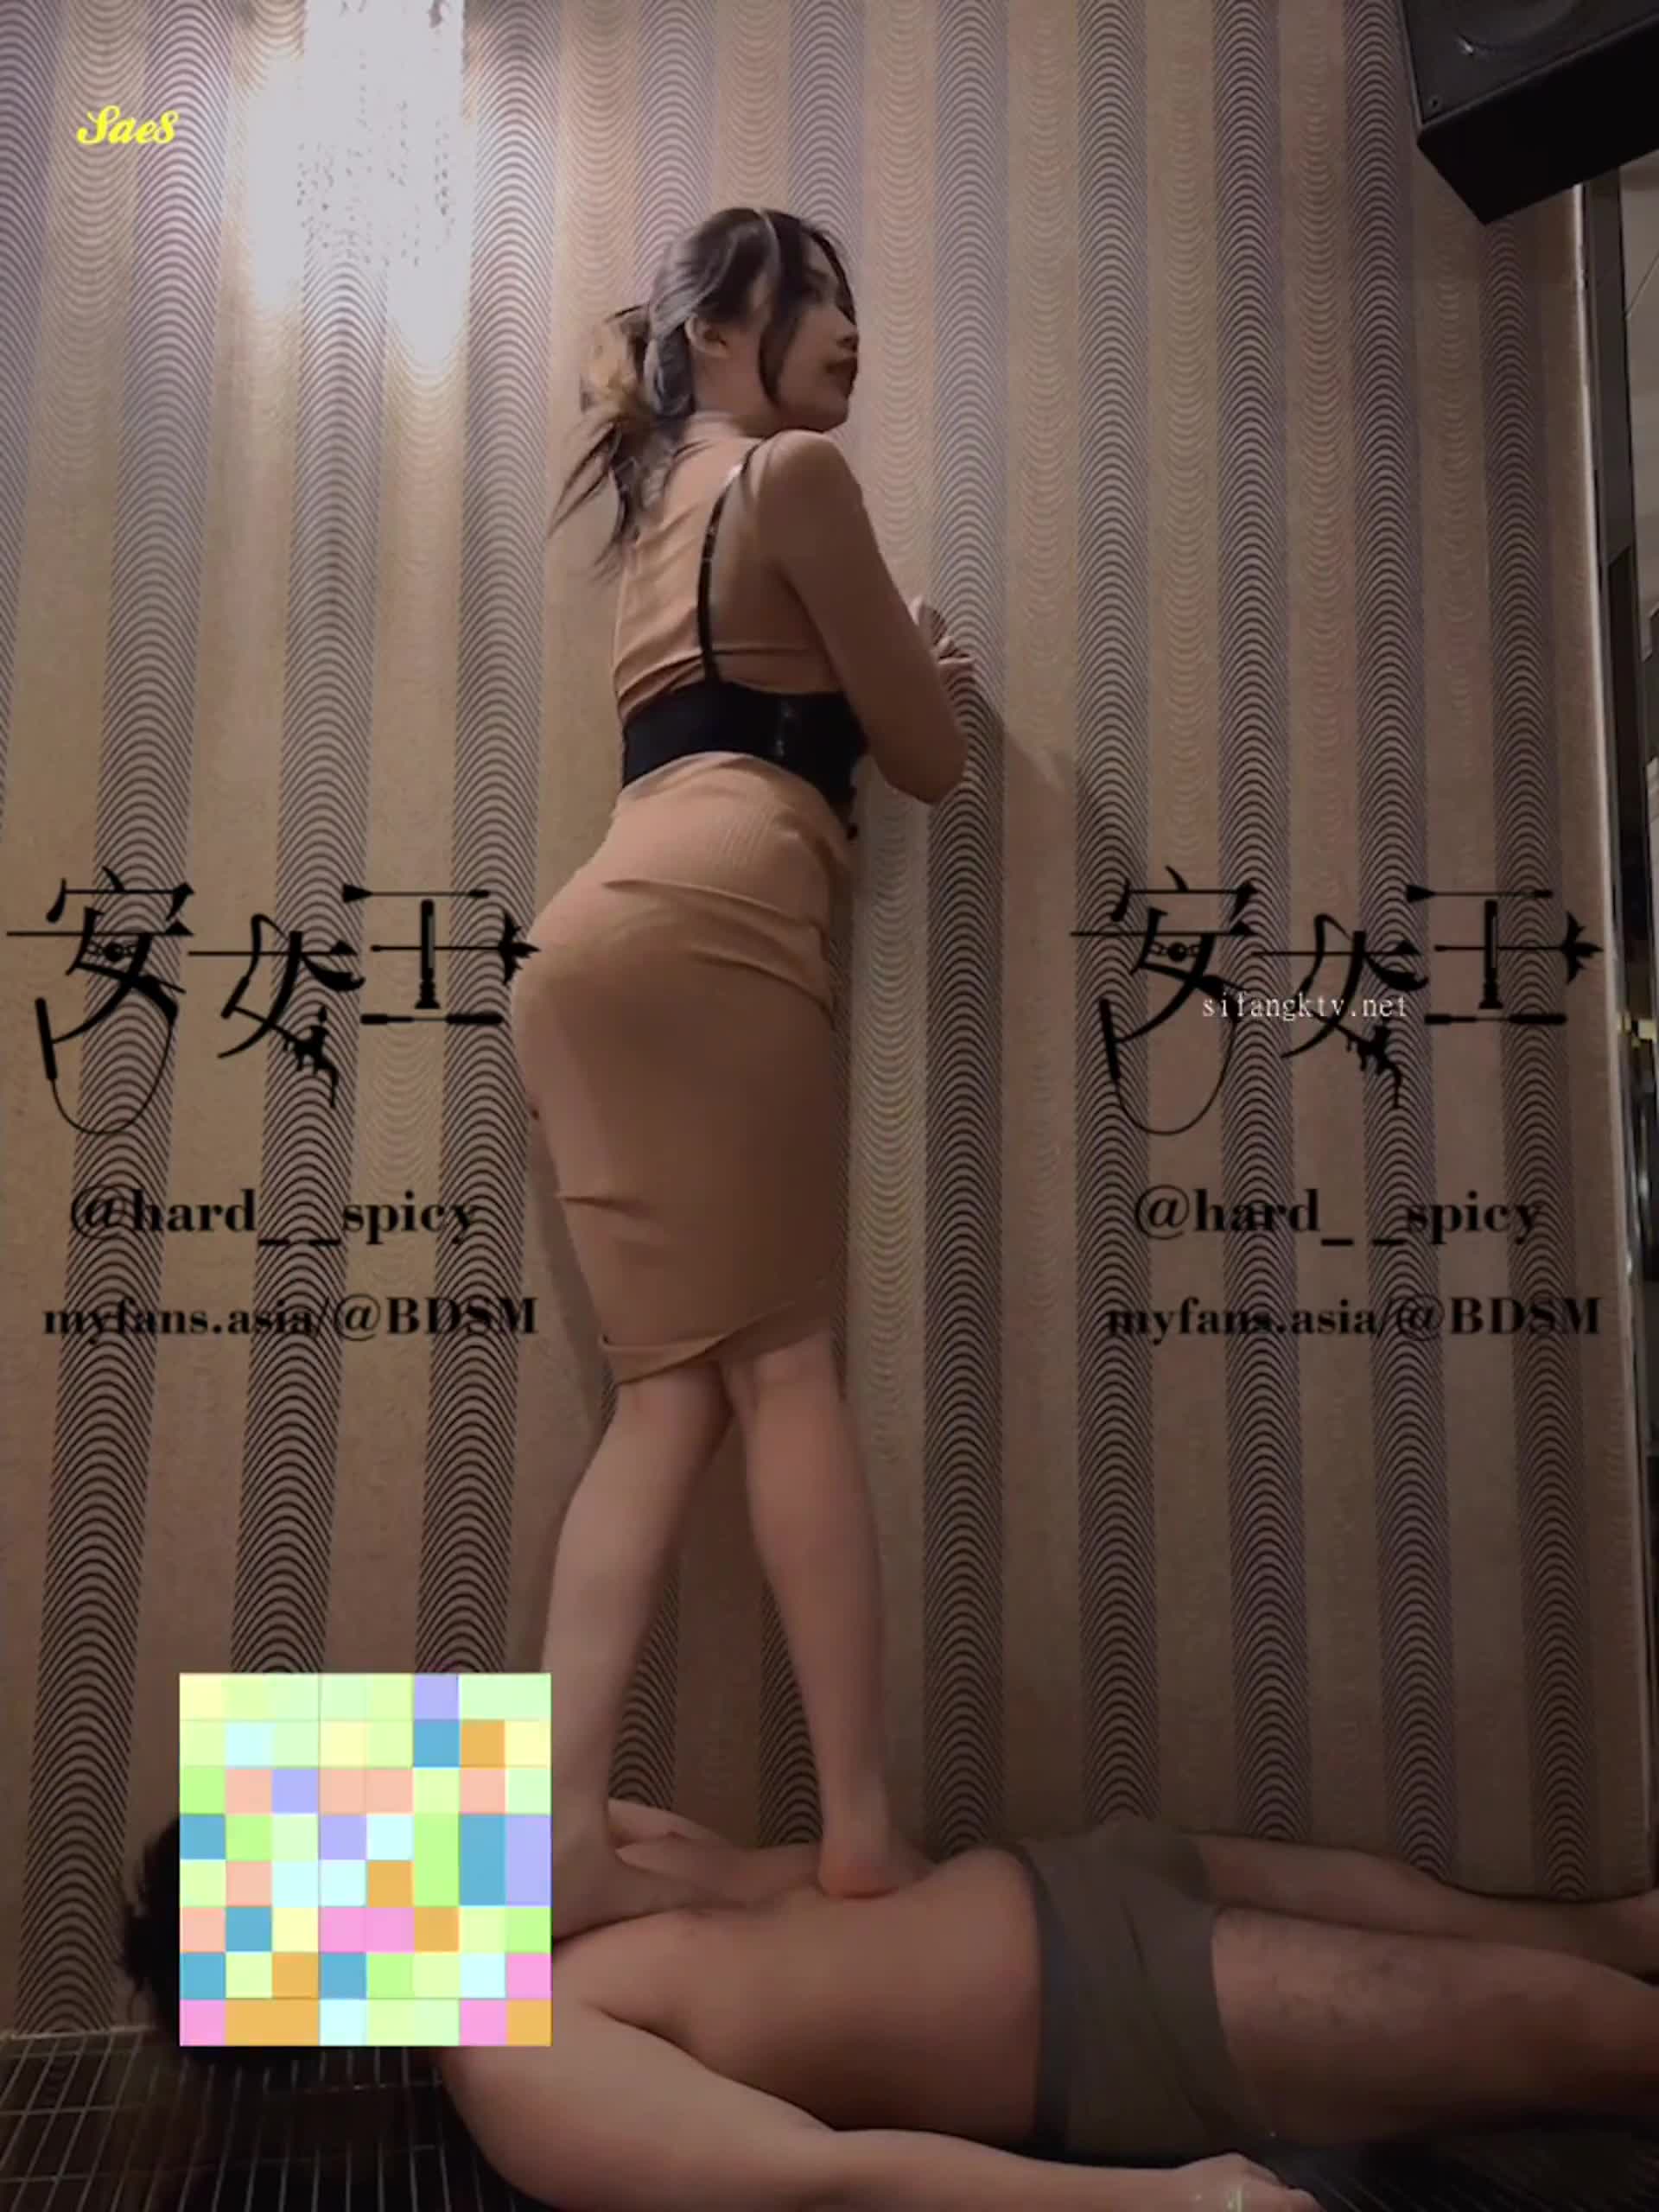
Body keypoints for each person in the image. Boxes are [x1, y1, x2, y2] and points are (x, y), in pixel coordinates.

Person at [513, 204, 971, 1937]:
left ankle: (559, 1831)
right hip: (717, 929)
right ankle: (861, 1833)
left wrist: (860, 670)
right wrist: (909, 662)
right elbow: (927, 760)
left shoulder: (660, 519)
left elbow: (743, 705)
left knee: (671, 1398)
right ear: (718, 335)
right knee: (785, 1372)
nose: (850, 329)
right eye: (814, 297)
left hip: (586, 943)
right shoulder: (794, 479)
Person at [124, 1799, 1659, 2211]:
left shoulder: (535, 1874)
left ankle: (1618, 1924)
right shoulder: (515, 2064)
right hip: (1121, 2017)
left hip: (1100, 1878)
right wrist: (1171, 2205)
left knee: (1554, 1940)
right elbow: (823, 2177)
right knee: (1589, 2040)